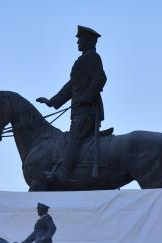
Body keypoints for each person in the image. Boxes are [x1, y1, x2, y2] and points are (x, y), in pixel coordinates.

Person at [37, 25, 107, 184]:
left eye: (80, 39)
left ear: (89, 40)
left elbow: (100, 79)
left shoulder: (92, 58)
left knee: (74, 139)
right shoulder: (83, 60)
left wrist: (86, 97)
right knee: (72, 139)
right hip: (79, 111)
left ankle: (62, 173)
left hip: (88, 111)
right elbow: (71, 87)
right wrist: (52, 101)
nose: (77, 43)